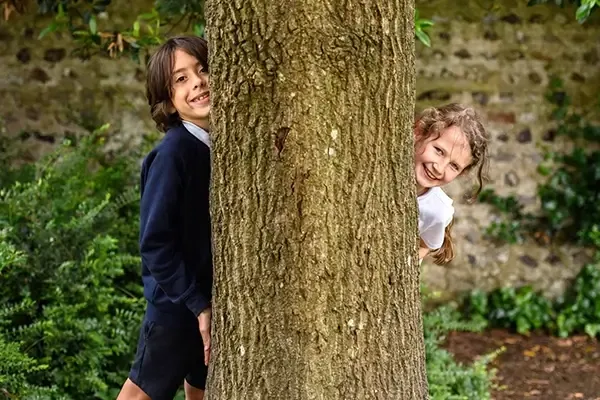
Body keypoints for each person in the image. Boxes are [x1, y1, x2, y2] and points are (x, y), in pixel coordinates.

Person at [117, 35, 213, 400]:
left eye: (202, 70)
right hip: (176, 310)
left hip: (209, 303)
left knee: (202, 391)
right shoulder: (174, 154)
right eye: (181, 79)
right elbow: (155, 242)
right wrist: (196, 303)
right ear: (168, 102)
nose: (198, 82)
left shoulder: (215, 145)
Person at [414, 103, 489, 265]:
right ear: (418, 132)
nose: (439, 168)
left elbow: (424, 245)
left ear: (461, 173)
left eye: (454, 166)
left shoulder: (438, 210)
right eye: (439, 151)